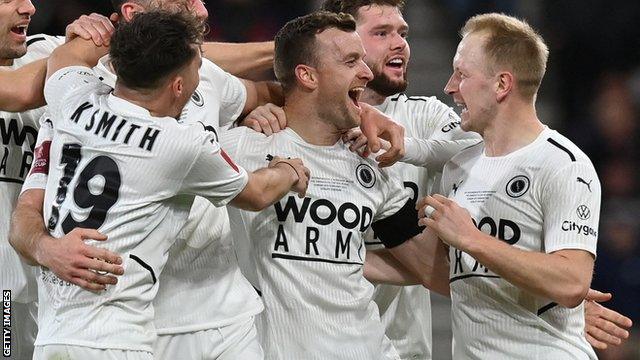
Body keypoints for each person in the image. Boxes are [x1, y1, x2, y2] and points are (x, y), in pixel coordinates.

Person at [13, 10, 309, 359]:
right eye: (197, 68)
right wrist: (289, 169)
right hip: (118, 341)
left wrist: (98, 32)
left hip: (53, 338)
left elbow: (67, 56)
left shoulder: (70, 95)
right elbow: (257, 192)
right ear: (178, 85)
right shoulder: (179, 144)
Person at [219, 11, 432, 359]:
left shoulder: (368, 162)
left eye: (363, 60)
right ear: (306, 75)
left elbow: (431, 270)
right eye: (351, 61)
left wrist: (465, 235)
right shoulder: (242, 147)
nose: (366, 72)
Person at [413, 13, 601, 358]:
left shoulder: (563, 165)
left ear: (502, 84)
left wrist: (471, 238)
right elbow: (451, 276)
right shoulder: (459, 166)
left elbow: (572, 282)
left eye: (462, 74)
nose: (449, 86)